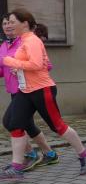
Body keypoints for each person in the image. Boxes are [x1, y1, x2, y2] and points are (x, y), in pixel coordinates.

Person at [1, 9, 86, 179]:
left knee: (57, 126)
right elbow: (29, 64)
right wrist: (18, 68)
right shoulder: (23, 40)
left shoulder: (32, 40)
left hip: (42, 90)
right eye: (8, 22)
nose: (10, 25)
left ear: (24, 23)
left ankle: (84, 153)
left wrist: (10, 62)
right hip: (26, 90)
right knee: (14, 123)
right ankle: (16, 167)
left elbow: (36, 64)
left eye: (13, 22)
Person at [1, 13, 57, 172]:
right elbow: (3, 69)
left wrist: (20, 67)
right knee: (20, 124)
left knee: (17, 123)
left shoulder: (26, 41)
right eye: (4, 23)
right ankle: (47, 153)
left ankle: (32, 155)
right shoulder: (4, 45)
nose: (8, 26)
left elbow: (46, 65)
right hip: (14, 89)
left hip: (28, 89)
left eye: (10, 23)